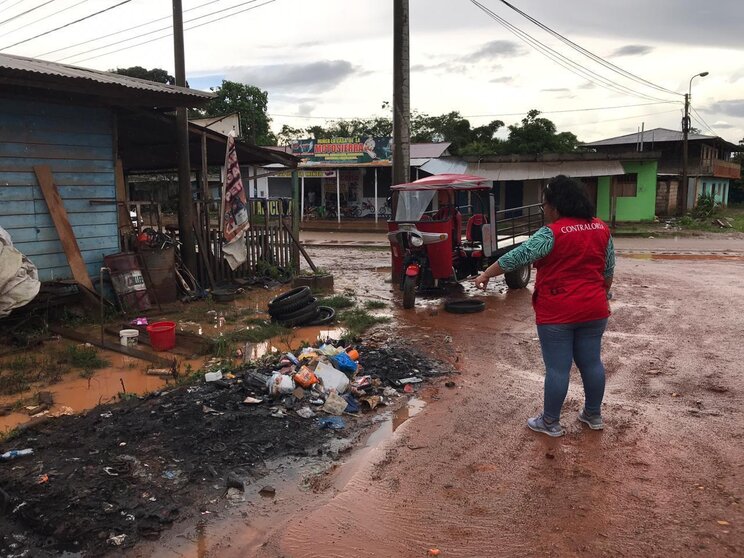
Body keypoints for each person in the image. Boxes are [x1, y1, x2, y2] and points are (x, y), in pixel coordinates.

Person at [474, 175, 615, 437]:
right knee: (592, 363)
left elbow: (517, 257)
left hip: (558, 312)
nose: (544, 210)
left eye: (544, 205)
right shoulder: (601, 229)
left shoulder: (551, 233)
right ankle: (593, 415)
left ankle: (550, 422)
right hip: (594, 309)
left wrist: (485, 275)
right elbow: (608, 270)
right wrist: (599, 294)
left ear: (556, 206)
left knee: (558, 368)